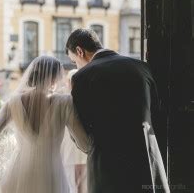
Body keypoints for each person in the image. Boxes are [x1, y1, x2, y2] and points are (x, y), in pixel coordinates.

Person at [66, 28, 170, 193]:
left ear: (79, 51)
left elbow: (83, 132)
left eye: (74, 61)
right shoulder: (142, 68)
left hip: (107, 170)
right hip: (146, 163)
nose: (76, 66)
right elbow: (157, 115)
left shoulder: (81, 77)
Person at [0, 56, 89, 193]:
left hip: (18, 173)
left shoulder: (13, 102)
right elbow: (83, 141)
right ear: (53, 78)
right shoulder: (64, 103)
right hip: (51, 174)